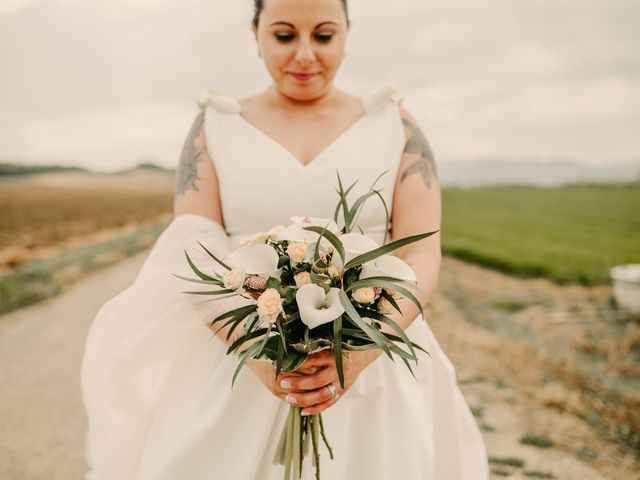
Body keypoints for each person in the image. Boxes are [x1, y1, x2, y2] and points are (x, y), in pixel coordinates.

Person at [80, 0, 489, 478]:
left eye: (323, 35)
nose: (303, 55)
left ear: (346, 35)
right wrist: (258, 357)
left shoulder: (395, 124)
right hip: (236, 361)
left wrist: (359, 354)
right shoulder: (214, 125)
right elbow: (190, 245)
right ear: (255, 33)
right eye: (283, 35)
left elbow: (421, 249)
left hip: (376, 365)